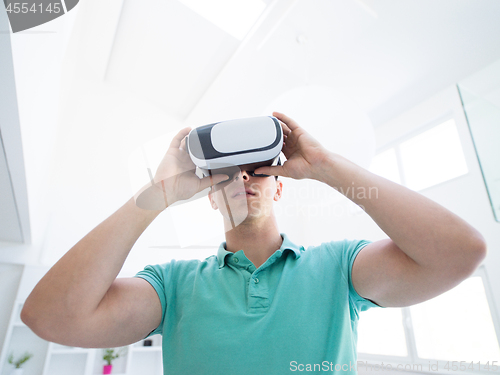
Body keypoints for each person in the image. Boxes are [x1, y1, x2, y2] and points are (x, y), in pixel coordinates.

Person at [22, 112, 486, 374]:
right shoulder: (173, 288)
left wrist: (325, 165)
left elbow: (461, 253)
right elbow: (50, 317)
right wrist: (156, 197)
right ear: (207, 197)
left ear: (280, 185)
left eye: (256, 168)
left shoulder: (339, 269)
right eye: (225, 171)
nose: (242, 176)